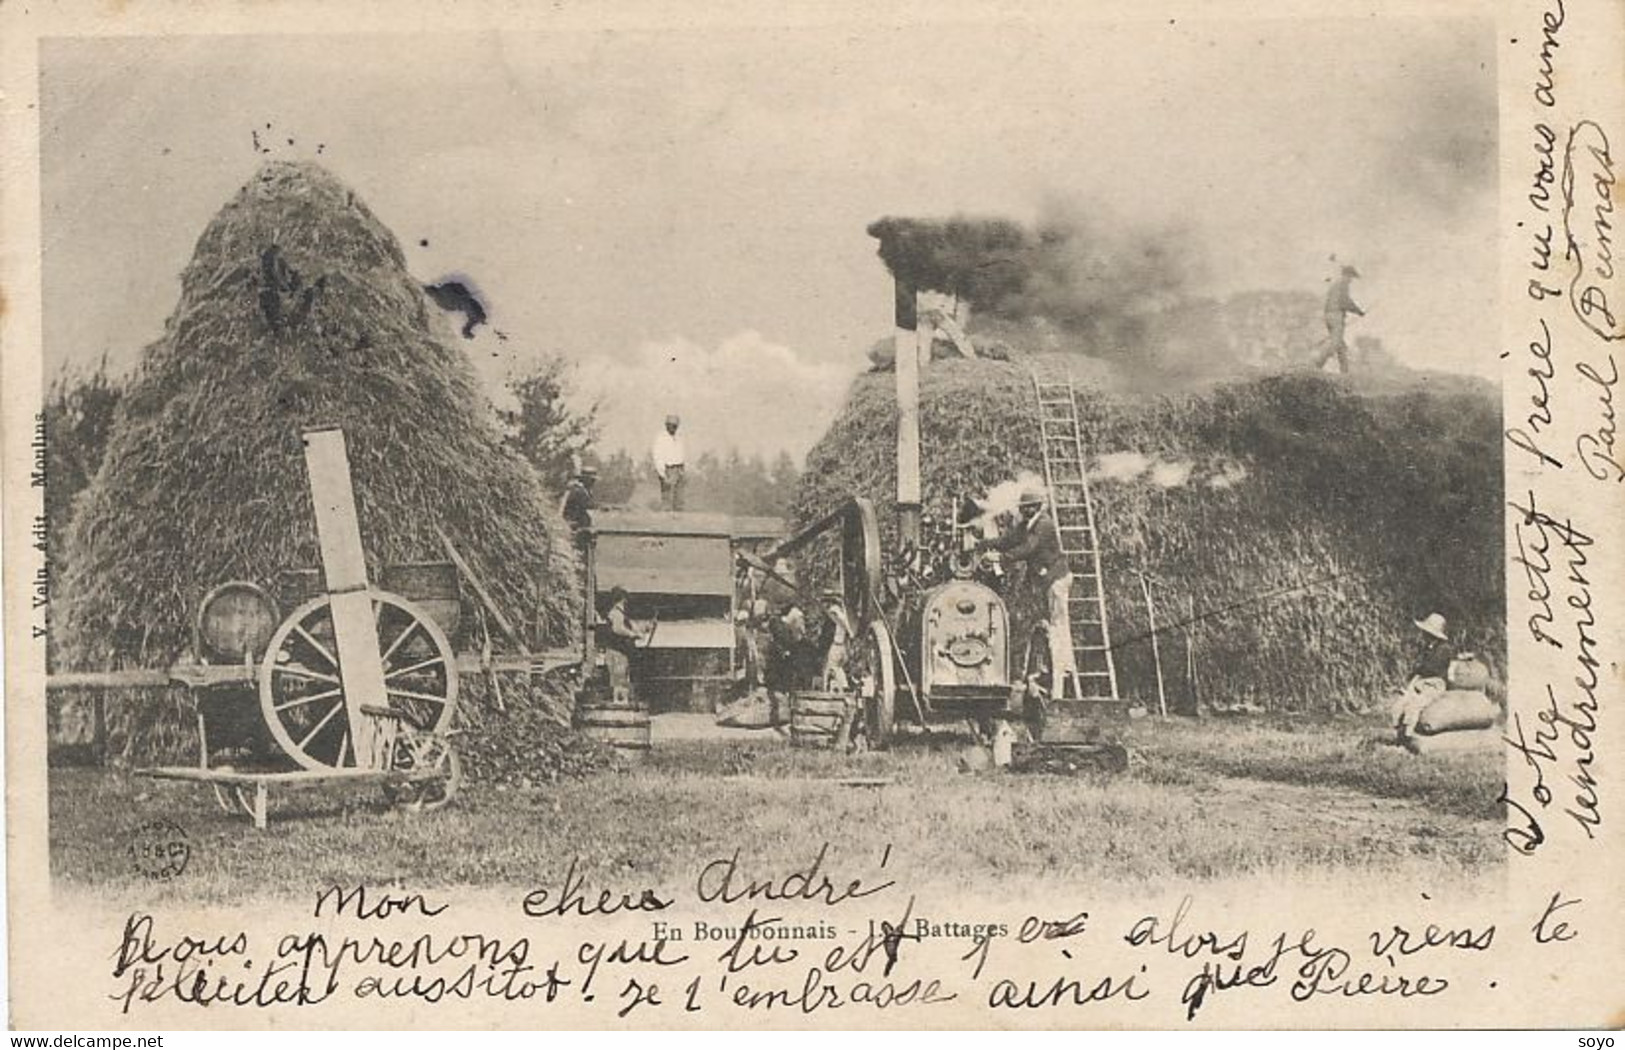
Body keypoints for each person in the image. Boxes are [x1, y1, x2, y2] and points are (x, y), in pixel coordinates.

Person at [978, 490, 1076, 697]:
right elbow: (1008, 539)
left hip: (1055, 579)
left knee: (1058, 626)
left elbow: (1029, 548)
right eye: (1022, 507)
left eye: (1026, 507)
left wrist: (1001, 558)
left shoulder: (1044, 524)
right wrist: (984, 544)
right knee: (1042, 624)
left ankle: (1063, 667)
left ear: (1036, 507)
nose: (1023, 511)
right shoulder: (1027, 525)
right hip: (1042, 581)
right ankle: (1042, 671)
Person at [1392, 612, 1450, 738]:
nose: (1423, 635)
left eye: (1426, 633)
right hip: (1423, 682)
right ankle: (1399, 731)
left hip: (1435, 684)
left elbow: (1432, 669)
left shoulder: (1443, 649)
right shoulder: (1428, 648)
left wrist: (1419, 670)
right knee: (1402, 702)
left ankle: (1408, 734)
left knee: (1415, 704)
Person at [598, 586, 651, 705]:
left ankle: (621, 702)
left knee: (621, 677)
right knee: (618, 678)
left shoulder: (618, 613)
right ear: (623, 599)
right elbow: (618, 629)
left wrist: (642, 630)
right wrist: (632, 634)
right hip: (616, 651)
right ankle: (619, 703)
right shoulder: (616, 612)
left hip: (619, 651)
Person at [1312, 264, 1365, 374]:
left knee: (1341, 347)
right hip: (1336, 315)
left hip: (1329, 315)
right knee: (1335, 342)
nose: (1351, 280)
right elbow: (1344, 301)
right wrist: (1358, 311)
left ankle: (1344, 373)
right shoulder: (1342, 284)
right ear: (1346, 275)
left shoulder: (1335, 284)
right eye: (1350, 277)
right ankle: (1316, 365)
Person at [819, 586, 854, 691]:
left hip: (837, 644)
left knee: (832, 665)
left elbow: (842, 621)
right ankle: (839, 686)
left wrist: (850, 631)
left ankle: (842, 686)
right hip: (842, 644)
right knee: (835, 666)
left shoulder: (834, 611)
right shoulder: (841, 611)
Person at [651, 414, 686, 511]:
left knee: (679, 494)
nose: (673, 428)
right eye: (671, 425)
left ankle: (678, 514)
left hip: (678, 468)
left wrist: (682, 467)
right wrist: (662, 472)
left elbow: (681, 452)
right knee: (667, 493)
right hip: (668, 468)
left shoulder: (678, 437)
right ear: (666, 425)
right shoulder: (661, 438)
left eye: (675, 426)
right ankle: (666, 514)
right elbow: (657, 456)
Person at [560, 465, 596, 537]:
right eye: (591, 480)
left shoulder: (585, 491)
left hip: (581, 526)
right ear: (585, 479)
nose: (593, 482)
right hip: (575, 525)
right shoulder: (578, 491)